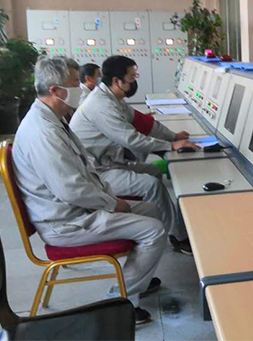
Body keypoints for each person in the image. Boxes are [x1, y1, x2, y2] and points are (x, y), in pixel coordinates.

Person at [12, 56, 164, 325]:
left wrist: (109, 198)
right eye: (75, 84)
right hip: (66, 221)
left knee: (151, 210)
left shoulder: (53, 119)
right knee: (154, 231)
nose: (83, 87)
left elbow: (84, 171)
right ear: (55, 90)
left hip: (77, 208)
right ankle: (118, 301)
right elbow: (71, 189)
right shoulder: (43, 132)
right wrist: (113, 204)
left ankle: (135, 278)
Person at [70, 55, 198, 255]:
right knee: (152, 185)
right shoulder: (101, 105)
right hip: (97, 172)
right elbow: (131, 139)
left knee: (154, 171)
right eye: (131, 77)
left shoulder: (112, 98)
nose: (134, 81)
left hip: (109, 162)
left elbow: (143, 123)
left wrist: (174, 136)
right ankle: (178, 237)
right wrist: (171, 145)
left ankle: (163, 223)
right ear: (116, 81)